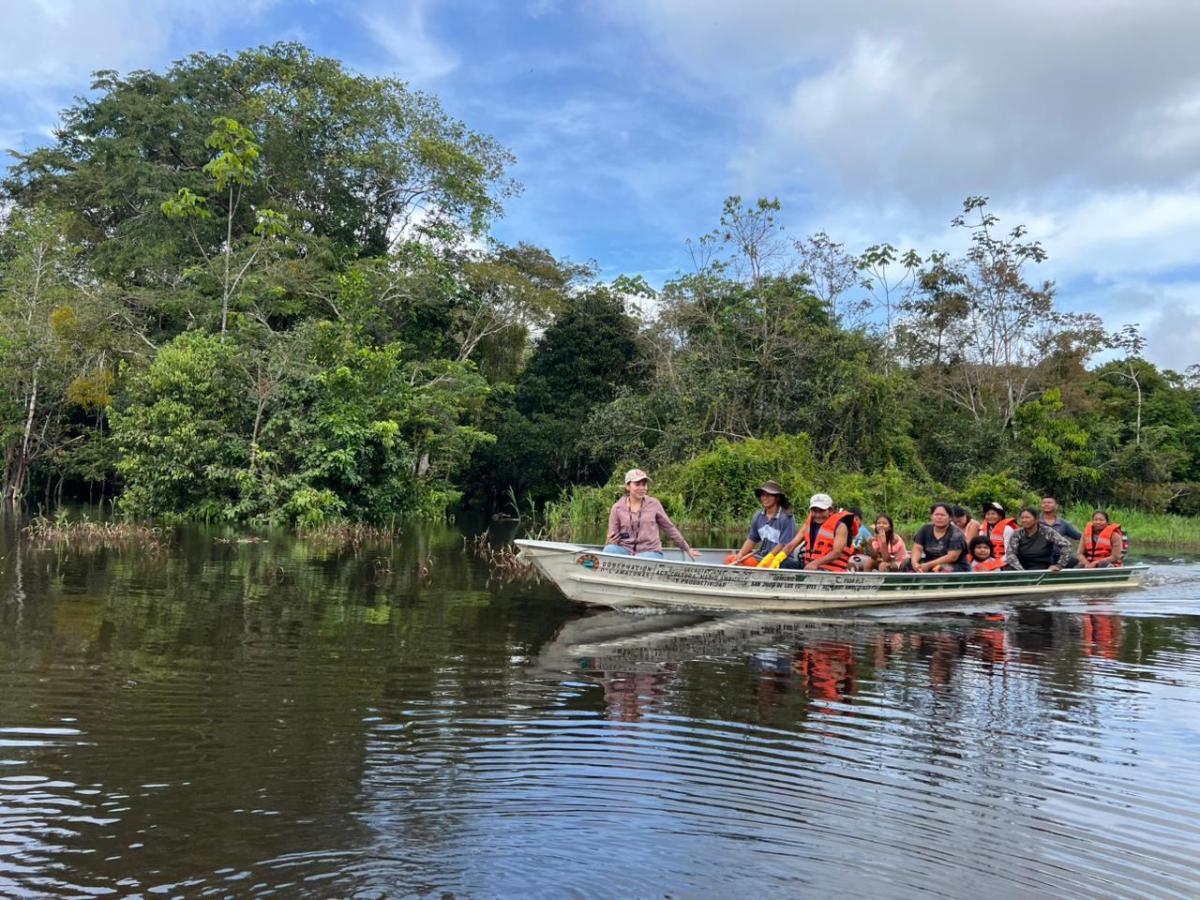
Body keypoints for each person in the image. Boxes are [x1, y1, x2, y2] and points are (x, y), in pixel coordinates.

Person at [603, 468, 702, 559]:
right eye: (637, 484)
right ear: (627, 486)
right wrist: (610, 541)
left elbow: (669, 528)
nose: (642, 488)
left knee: (639, 559)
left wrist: (686, 548)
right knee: (609, 549)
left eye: (644, 484)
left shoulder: (653, 504)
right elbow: (611, 536)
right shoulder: (617, 507)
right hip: (626, 551)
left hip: (650, 552)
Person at [776, 493, 859, 571]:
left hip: (829, 570)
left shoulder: (841, 527)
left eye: (821, 511)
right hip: (811, 567)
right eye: (814, 511)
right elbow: (791, 545)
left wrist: (816, 563)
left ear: (830, 510)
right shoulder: (808, 525)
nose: (818, 515)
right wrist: (778, 558)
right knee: (784, 563)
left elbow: (836, 553)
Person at [726, 480, 797, 566]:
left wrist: (768, 559)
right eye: (763, 495)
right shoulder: (758, 515)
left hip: (780, 559)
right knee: (731, 559)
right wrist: (740, 554)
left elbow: (784, 545)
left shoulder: (786, 517)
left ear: (777, 498)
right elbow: (752, 539)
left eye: (769, 495)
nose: (765, 498)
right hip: (761, 557)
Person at [1004, 506, 1073, 571]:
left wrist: (1059, 565)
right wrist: (1021, 570)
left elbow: (1066, 545)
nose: (1024, 520)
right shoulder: (1017, 533)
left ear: (1036, 519)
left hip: (1041, 564)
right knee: (1007, 571)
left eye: (1027, 517)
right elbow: (1010, 553)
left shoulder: (1047, 531)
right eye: (1022, 518)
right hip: (1021, 565)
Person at [908, 503, 969, 572]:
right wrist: (914, 563)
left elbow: (952, 557)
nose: (939, 517)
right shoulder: (925, 529)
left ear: (950, 518)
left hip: (953, 565)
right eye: (936, 514)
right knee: (907, 563)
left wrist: (929, 565)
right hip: (929, 561)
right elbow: (917, 548)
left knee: (940, 568)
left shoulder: (956, 533)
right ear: (931, 516)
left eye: (943, 515)